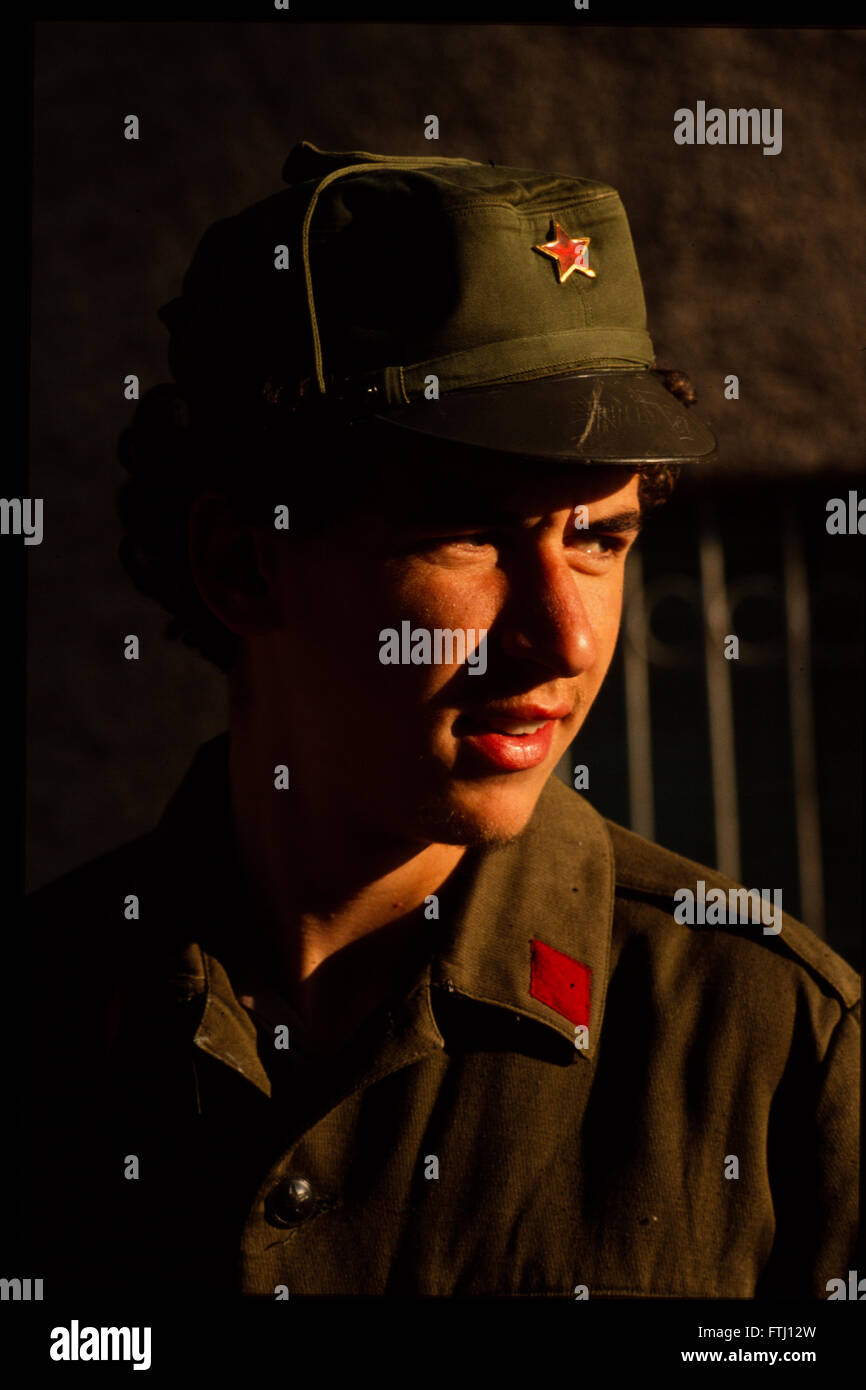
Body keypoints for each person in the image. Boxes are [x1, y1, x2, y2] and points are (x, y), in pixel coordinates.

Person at [20, 142, 859, 1300]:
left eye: (597, 539)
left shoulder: (767, 1047)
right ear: (240, 563)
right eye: (465, 535)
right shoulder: (51, 1011)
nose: (562, 639)